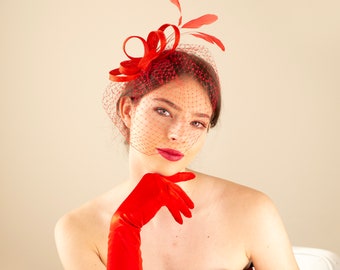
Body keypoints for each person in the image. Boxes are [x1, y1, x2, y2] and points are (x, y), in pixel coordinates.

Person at [54, 1, 300, 269]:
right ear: (127, 110)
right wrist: (125, 227)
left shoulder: (251, 211)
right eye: (163, 111)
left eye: (197, 123)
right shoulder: (78, 228)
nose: (176, 134)